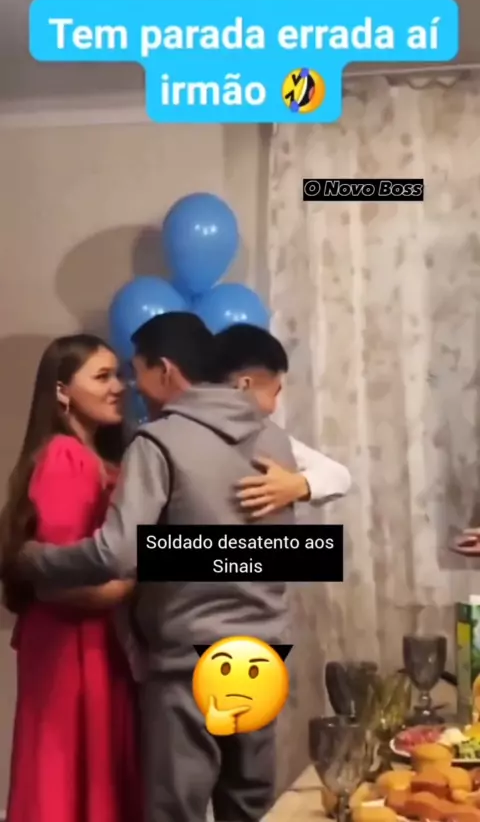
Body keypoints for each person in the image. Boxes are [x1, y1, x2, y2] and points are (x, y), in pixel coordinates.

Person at [16, 312, 299, 822]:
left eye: (136, 371)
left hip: (190, 662)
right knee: (247, 808)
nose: (131, 387)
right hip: (261, 653)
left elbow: (115, 553)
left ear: (165, 370)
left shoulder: (159, 441)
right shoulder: (275, 440)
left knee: (175, 812)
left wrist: (36, 560)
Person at [0, 334, 141, 822]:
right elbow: (65, 581)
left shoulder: (94, 457)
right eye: (102, 377)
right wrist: (132, 584)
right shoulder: (66, 458)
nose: (118, 386)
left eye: (119, 374)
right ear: (62, 391)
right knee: (69, 777)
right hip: (72, 646)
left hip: (93, 642)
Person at [209, 323, 352, 518]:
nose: (274, 407)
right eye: (274, 393)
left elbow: (339, 476)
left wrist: (296, 485)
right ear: (245, 386)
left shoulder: (267, 435)